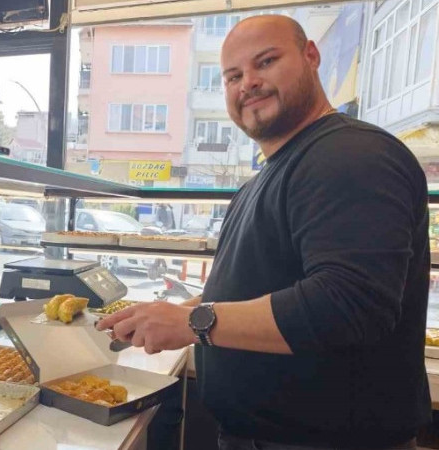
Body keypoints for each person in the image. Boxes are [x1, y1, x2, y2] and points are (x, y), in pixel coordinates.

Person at [97, 15, 430, 450]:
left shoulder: (350, 155)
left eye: (266, 62)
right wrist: (168, 313)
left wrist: (193, 321)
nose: (247, 83)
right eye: (233, 76)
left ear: (311, 56)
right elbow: (259, 287)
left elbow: (348, 304)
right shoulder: (268, 177)